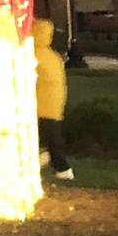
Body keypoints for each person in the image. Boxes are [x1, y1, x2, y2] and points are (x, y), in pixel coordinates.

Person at [33, 16, 73, 181]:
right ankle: (51, 163)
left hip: (40, 106)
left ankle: (63, 169)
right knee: (52, 138)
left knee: (49, 141)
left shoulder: (32, 55)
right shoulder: (53, 56)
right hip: (55, 105)